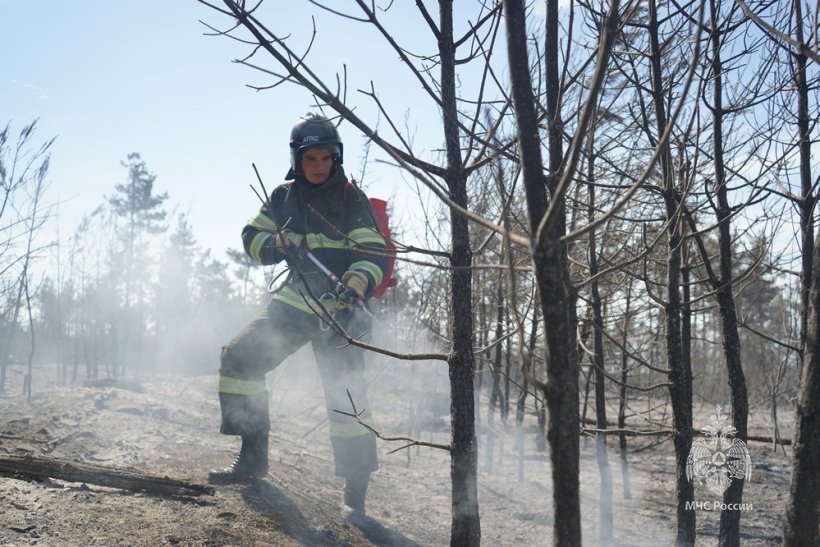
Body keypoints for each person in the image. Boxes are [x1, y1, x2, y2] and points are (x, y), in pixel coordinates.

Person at [208, 112, 387, 515]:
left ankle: (355, 494)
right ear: (297, 159)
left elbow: (372, 252)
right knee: (239, 357)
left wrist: (357, 281)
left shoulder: (350, 198)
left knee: (347, 399)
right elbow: (250, 240)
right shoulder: (282, 197)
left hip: (341, 310)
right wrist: (276, 242)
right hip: (295, 300)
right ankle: (253, 456)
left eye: (327, 158)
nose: (320, 166)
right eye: (312, 159)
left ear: (336, 158)